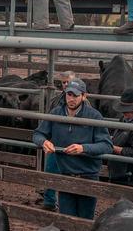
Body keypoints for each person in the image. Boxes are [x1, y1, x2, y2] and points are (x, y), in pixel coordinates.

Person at [32, 79, 113, 219]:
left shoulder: (94, 116)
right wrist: (43, 141)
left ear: (84, 96)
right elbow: (38, 133)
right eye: (69, 94)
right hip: (65, 174)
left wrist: (83, 148)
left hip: (87, 175)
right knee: (66, 218)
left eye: (75, 95)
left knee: (85, 219)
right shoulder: (56, 113)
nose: (71, 99)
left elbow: (106, 145)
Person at [41, 69, 76, 211]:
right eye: (63, 82)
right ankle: (49, 202)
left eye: (69, 82)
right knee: (50, 171)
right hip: (55, 142)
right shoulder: (56, 101)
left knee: (69, 174)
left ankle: (67, 205)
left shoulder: (84, 103)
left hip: (73, 144)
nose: (66, 85)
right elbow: (48, 121)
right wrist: (47, 139)